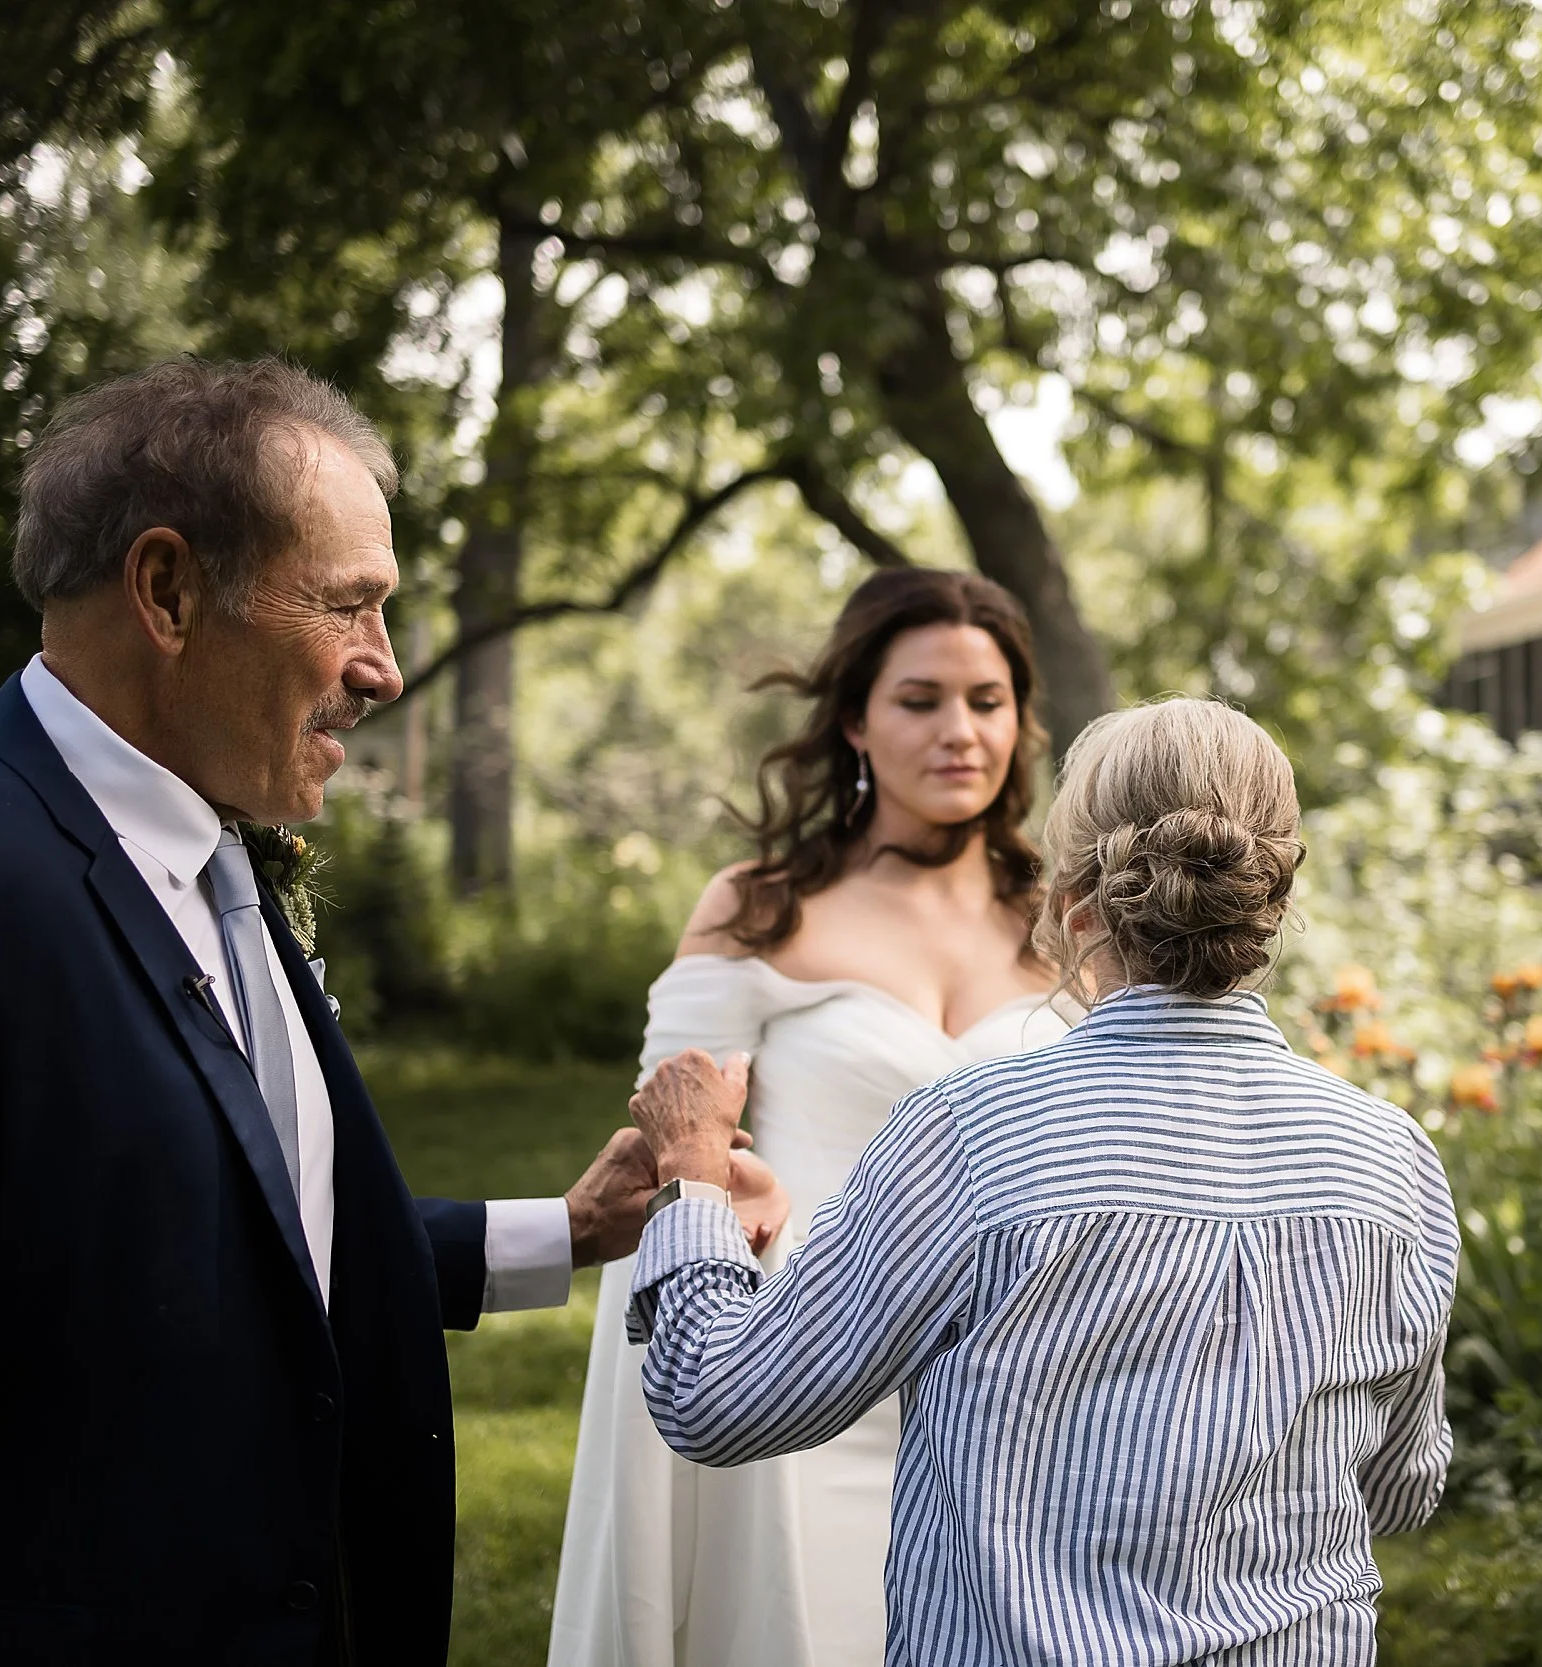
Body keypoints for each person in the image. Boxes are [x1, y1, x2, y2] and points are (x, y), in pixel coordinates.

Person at [0, 359, 690, 1664]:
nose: (385, 668)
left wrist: (562, 1230)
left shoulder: (217, 849)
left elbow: (226, 1228)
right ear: (168, 590)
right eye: (349, 603)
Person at [623, 698, 1460, 1666]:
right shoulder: (1390, 1155)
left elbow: (719, 1400)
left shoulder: (968, 1132)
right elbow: (1399, 1489)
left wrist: (692, 1183)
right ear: (1274, 893)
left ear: (1072, 905)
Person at [549, 569, 1069, 1667]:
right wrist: (736, 1190)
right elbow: (667, 1133)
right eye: (920, 699)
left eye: (987, 700)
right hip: (802, 1359)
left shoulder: (1065, 923)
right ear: (854, 720)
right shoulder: (763, 903)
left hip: (1014, 1384)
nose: (959, 732)